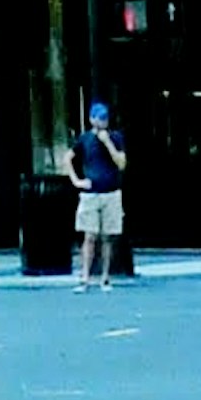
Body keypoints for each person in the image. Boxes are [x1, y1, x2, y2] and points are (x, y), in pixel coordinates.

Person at [71, 96, 126, 283]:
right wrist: (76, 181)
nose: (103, 122)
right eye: (99, 118)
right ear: (92, 119)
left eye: (105, 118)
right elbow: (68, 157)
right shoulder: (84, 139)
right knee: (89, 235)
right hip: (91, 193)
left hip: (110, 192)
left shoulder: (116, 137)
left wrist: (108, 143)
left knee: (107, 236)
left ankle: (105, 275)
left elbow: (121, 163)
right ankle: (85, 274)